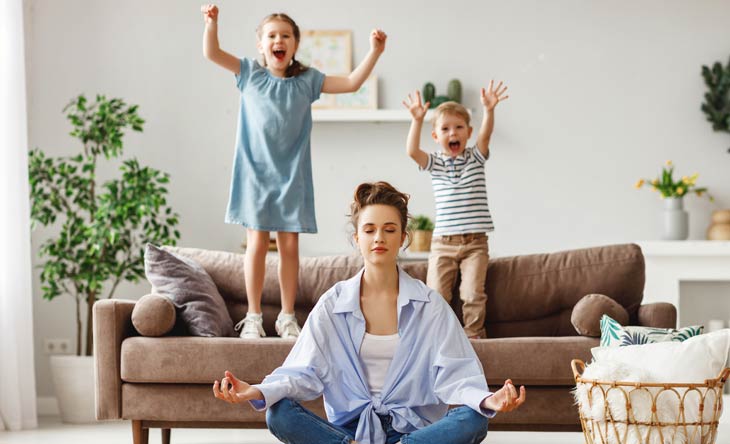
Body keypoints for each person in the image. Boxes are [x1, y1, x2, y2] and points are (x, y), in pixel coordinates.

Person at [213, 182, 526, 444]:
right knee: (278, 412)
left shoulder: (429, 305)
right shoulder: (333, 303)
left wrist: (488, 400)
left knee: (474, 419)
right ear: (357, 238)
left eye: (390, 230)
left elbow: (456, 373)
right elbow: (301, 371)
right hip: (348, 433)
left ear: (403, 238)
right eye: (370, 230)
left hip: (414, 434)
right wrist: (257, 391)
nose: (379, 238)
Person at [201, 5, 387, 339]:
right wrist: (211, 23)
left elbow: (350, 82)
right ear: (261, 45)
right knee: (256, 245)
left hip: (292, 178)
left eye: (285, 35)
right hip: (254, 176)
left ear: (295, 45)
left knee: (289, 248)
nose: (279, 40)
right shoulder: (249, 74)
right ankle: (254, 317)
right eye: (271, 35)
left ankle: (287, 317)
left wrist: (374, 52)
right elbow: (211, 52)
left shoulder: (307, 81)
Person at [401, 82, 509, 339]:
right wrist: (417, 120)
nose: (453, 133)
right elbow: (412, 151)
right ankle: (435, 337)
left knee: (472, 294)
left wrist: (489, 110)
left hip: (475, 243)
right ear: (436, 136)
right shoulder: (435, 163)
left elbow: (486, 136)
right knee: (436, 294)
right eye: (445, 128)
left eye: (459, 127)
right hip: (443, 243)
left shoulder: (476, 157)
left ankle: (473, 337)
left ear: (468, 132)